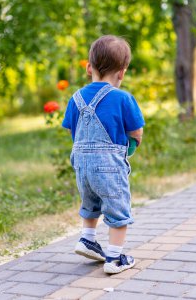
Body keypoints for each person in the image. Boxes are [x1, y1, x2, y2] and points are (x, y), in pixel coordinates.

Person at [62, 35, 145, 274]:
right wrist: (131, 146)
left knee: (90, 202)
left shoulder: (75, 98)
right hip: (109, 166)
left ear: (89, 68)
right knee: (118, 209)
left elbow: (73, 130)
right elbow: (136, 131)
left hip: (81, 166)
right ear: (122, 72)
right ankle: (114, 258)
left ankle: (88, 238)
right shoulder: (122, 98)